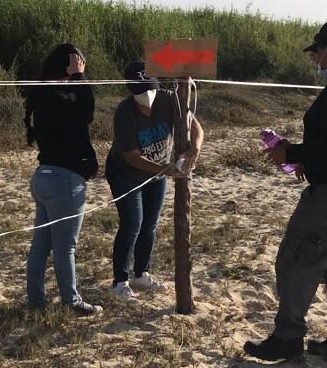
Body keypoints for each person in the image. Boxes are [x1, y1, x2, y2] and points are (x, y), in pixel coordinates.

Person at [243, 19, 327, 365]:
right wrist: (307, 158)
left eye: (318, 51)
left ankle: (288, 337)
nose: (316, 59)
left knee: (294, 258)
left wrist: (293, 154)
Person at [106, 61, 204, 300]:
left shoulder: (170, 98)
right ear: (131, 90)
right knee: (132, 224)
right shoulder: (124, 113)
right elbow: (132, 156)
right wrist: (164, 169)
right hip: (126, 174)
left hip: (158, 173)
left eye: (150, 88)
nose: (147, 96)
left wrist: (193, 152)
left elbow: (196, 128)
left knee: (149, 224)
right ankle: (120, 282)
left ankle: (141, 274)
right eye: (141, 91)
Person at [24, 43, 102, 315]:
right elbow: (86, 112)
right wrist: (80, 77)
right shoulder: (59, 96)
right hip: (63, 180)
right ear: (68, 65)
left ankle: (35, 301)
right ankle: (71, 302)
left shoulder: (43, 93)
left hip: (43, 176)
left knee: (41, 245)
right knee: (65, 247)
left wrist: (75, 79)